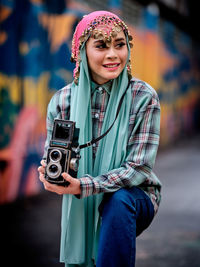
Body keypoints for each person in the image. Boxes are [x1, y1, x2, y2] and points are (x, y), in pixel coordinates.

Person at [38, 10, 162, 267]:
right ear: (81, 51)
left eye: (120, 45)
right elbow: (55, 154)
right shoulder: (63, 101)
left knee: (118, 201)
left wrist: (83, 186)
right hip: (81, 195)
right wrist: (51, 174)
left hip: (135, 196)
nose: (113, 55)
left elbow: (137, 169)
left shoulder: (143, 97)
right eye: (101, 46)